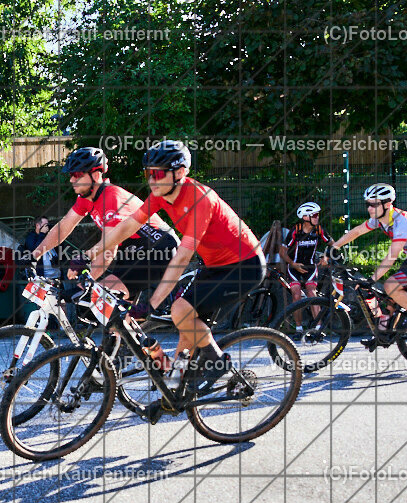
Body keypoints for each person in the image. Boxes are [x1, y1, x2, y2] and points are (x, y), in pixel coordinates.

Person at [87, 140, 264, 394]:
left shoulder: (199, 199)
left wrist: (151, 304)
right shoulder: (160, 196)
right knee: (187, 324)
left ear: (180, 173)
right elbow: (127, 227)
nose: (152, 180)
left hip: (245, 264)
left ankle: (217, 363)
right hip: (215, 264)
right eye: (149, 174)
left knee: (180, 310)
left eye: (158, 174)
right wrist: (90, 254)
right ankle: (177, 386)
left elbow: (181, 259)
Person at [33, 147, 179, 303]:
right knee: (112, 314)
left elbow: (109, 249)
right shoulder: (86, 198)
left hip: (159, 247)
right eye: (71, 175)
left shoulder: (111, 198)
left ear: (95, 175)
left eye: (76, 175)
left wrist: (82, 286)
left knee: (100, 297)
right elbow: (63, 227)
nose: (71, 180)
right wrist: (33, 256)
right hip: (133, 249)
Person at [331, 183, 407, 335]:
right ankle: (383, 335)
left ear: (387, 204)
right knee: (389, 299)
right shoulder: (381, 218)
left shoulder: (402, 222)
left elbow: (392, 256)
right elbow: (357, 231)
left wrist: (372, 279)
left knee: (391, 286)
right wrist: (334, 247)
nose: (369, 208)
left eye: (374, 204)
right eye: (368, 204)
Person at [279, 202, 331, 337]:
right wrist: (293, 264)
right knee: (296, 295)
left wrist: (326, 256)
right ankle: (299, 329)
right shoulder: (295, 231)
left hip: (311, 267)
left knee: (312, 293)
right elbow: (282, 251)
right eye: (314, 215)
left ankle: (318, 329)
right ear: (305, 217)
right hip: (294, 267)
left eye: (318, 214)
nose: (317, 217)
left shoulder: (318, 230)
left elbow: (333, 243)